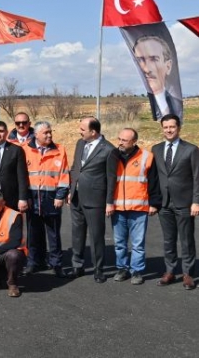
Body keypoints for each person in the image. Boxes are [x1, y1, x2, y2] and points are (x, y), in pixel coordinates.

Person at [152, 114, 199, 290]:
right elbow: (154, 178)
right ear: (162, 129)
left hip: (185, 203)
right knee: (168, 240)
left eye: (172, 127)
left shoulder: (191, 150)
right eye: (165, 127)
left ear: (179, 128)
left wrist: (196, 201)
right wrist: (154, 201)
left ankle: (187, 274)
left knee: (186, 240)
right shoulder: (156, 149)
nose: (169, 130)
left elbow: (197, 178)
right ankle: (170, 271)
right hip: (164, 204)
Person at [69, 117, 118, 283]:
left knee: (96, 236)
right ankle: (78, 265)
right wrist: (71, 188)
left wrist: (109, 202)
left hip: (95, 199)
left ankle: (99, 269)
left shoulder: (109, 150)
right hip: (76, 197)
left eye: (82, 129)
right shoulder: (80, 143)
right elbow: (76, 167)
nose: (79, 131)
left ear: (93, 132)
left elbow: (111, 178)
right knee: (77, 234)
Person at [112, 128, 162, 285]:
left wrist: (154, 204)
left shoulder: (147, 157)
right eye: (119, 138)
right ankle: (122, 268)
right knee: (119, 242)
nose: (120, 142)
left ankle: (137, 271)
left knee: (137, 243)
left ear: (134, 142)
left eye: (124, 140)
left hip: (139, 209)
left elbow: (154, 182)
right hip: (118, 208)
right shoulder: (112, 156)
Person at [22, 121, 70, 278]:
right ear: (36, 134)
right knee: (33, 233)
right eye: (46, 133)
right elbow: (22, 177)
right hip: (33, 199)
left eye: (50, 132)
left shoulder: (59, 150)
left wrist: (60, 195)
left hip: (51, 199)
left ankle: (56, 264)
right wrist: (25, 197)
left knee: (54, 234)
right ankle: (33, 262)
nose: (49, 135)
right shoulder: (25, 150)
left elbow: (63, 175)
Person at [132, 35, 183, 121]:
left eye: (154, 59)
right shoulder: (137, 104)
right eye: (140, 60)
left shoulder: (177, 106)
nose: (146, 69)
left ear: (168, 66)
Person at [0, 120, 29, 213]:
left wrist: (22, 198)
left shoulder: (16, 150)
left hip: (11, 197)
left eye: (1, 131)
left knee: (12, 225)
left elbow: (22, 176)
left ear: (6, 132)